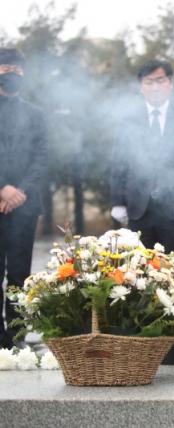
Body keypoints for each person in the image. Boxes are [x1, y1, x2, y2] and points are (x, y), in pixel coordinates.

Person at [110, 59, 174, 276]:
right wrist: (117, 202)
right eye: (149, 82)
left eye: (160, 81)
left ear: (170, 84)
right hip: (139, 209)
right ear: (141, 86)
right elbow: (119, 161)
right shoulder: (129, 120)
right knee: (138, 273)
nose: (155, 87)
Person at [0, 48, 47, 348]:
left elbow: (42, 157)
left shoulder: (36, 114)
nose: (12, 74)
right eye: (6, 69)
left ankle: (16, 336)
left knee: (20, 273)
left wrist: (20, 191)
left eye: (17, 69)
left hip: (25, 205)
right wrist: (2, 188)